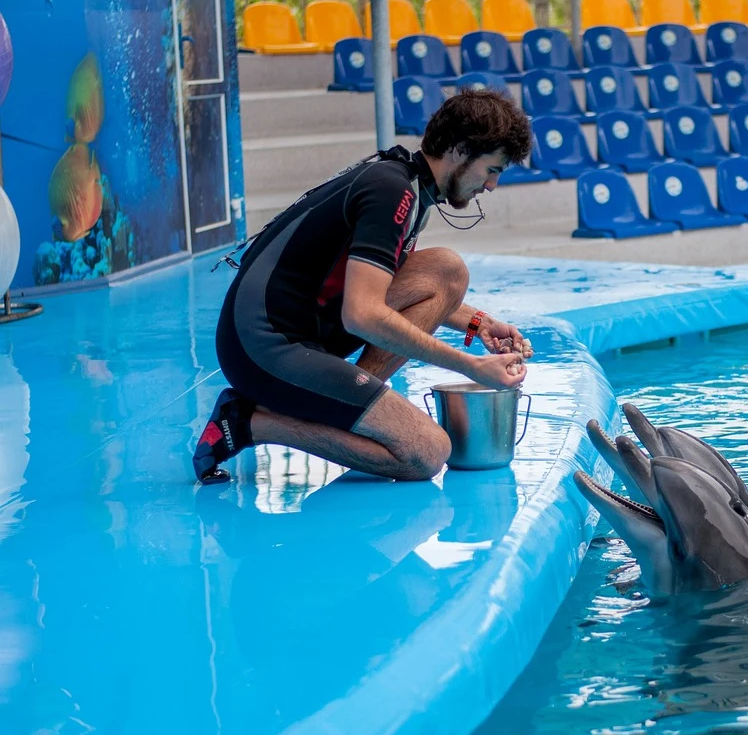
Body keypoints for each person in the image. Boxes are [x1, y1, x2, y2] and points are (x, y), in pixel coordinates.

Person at [193, 89, 534, 484]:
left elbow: (395, 289)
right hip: (262, 347)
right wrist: (472, 366)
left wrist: (480, 325)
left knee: (447, 271)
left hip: (308, 327)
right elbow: (363, 314)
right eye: (492, 170)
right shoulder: (393, 190)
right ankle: (248, 422)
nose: (491, 186)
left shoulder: (410, 184)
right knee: (426, 453)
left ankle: (350, 403)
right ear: (459, 149)